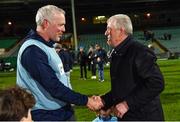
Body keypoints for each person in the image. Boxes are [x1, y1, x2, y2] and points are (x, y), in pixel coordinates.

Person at [16, 5, 103, 121]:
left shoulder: (46, 45)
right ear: (46, 24)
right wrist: (86, 101)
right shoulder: (33, 50)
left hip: (60, 111)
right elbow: (53, 86)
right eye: (60, 24)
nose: (64, 29)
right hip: (45, 115)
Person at [99, 14, 165, 120]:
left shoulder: (140, 51)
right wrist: (104, 102)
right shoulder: (118, 53)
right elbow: (124, 89)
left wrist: (127, 104)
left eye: (108, 29)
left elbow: (156, 83)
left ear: (120, 30)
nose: (106, 32)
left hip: (145, 117)